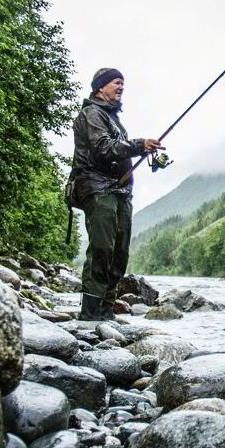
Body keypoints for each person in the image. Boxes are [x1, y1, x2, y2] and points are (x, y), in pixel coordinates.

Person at [71, 68, 161, 321]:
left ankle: (106, 311)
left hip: (120, 192)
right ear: (101, 87)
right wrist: (137, 145)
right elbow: (102, 148)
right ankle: (90, 314)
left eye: (123, 84)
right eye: (116, 83)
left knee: (119, 253)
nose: (121, 87)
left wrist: (141, 148)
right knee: (102, 249)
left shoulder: (113, 118)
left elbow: (117, 149)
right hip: (98, 189)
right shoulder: (91, 114)